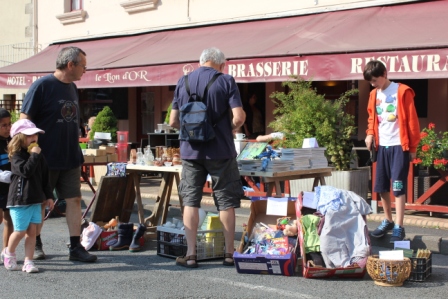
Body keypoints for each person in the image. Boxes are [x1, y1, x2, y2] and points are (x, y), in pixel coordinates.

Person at [169, 47, 246, 268]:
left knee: (190, 200)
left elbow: (174, 121)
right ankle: (229, 254)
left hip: (190, 152)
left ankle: (191, 254)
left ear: (201, 61)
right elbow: (239, 117)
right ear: (221, 64)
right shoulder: (226, 80)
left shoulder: (182, 82)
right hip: (221, 151)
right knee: (226, 200)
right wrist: (226, 129)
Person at [20, 46, 97, 262]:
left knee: (74, 200)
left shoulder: (72, 87)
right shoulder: (42, 86)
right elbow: (24, 121)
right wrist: (29, 151)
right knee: (40, 202)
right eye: (83, 65)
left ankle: (75, 247)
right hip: (45, 158)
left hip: (70, 155)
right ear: (70, 64)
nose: (85, 70)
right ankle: (35, 244)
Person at [363, 60, 420, 243]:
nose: (373, 84)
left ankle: (399, 224)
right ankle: (387, 219)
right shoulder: (373, 94)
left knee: (398, 186)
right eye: (370, 82)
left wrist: (412, 148)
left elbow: (412, 121)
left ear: (384, 74)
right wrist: (370, 134)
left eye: (375, 80)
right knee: (381, 186)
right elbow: (372, 118)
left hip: (398, 144)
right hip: (382, 145)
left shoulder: (402, 91)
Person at [3, 119, 54, 272]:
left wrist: (49, 196)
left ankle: (28, 261)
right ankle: (9, 252)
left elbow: (45, 177)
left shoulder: (38, 155)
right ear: (19, 138)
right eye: (29, 136)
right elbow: (25, 171)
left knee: (32, 232)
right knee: (20, 231)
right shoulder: (16, 155)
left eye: (36, 135)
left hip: (35, 199)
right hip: (19, 200)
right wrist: (34, 156)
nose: (34, 139)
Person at [0, 108, 14, 265]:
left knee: (9, 219)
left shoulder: (11, 140)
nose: (8, 128)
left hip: (10, 186)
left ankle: (6, 251)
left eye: (9, 124)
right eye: (3, 125)